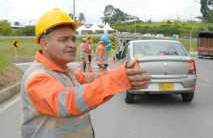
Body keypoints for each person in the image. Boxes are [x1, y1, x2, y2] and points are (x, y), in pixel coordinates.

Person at [20, 8, 151, 138]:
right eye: (64, 39)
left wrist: (122, 73)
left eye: (73, 39)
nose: (72, 44)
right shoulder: (37, 77)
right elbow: (67, 101)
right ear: (45, 44)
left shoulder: (64, 71)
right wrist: (117, 79)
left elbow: (88, 78)